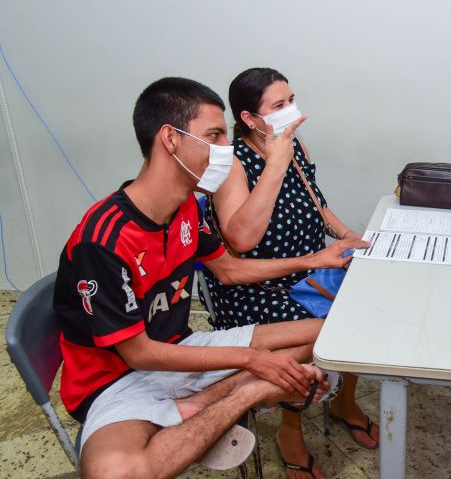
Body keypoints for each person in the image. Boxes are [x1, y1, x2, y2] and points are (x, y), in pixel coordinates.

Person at [53, 77, 367, 478]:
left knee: (332, 332)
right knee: (115, 473)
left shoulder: (185, 207)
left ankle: (210, 401)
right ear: (170, 138)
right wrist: (254, 362)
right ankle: (247, 393)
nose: (225, 149)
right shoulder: (103, 240)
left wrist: (311, 260)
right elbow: (140, 354)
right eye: (214, 135)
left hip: (180, 347)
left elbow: (230, 269)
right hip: (117, 379)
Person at [200, 67, 378, 478]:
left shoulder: (294, 146)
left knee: (367, 303)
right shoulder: (234, 164)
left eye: (291, 100)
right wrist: (275, 162)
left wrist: (350, 236)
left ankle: (343, 401)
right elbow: (241, 240)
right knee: (318, 329)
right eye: (279, 106)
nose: (292, 112)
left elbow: (319, 204)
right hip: (258, 285)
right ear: (249, 118)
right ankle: (290, 430)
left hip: (312, 265)